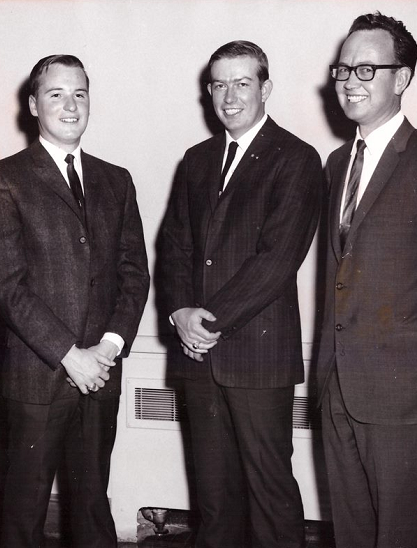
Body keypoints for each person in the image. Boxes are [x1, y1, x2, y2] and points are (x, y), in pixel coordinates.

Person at [316, 13, 417, 548]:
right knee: (352, 536)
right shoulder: (336, 164)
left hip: (407, 398)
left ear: (402, 78)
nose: (349, 82)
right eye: (343, 70)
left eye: (367, 70)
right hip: (338, 390)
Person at [0, 54, 150, 548]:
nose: (70, 105)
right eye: (56, 94)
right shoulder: (2, 178)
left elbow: (134, 274)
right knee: (23, 511)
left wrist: (109, 348)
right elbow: (7, 286)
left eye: (80, 93)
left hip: (101, 372)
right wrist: (71, 355)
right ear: (33, 105)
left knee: (93, 505)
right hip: (39, 376)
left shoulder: (116, 179)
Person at [160, 40, 323, 548]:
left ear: (265, 88)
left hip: (257, 357)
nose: (229, 96)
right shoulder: (196, 159)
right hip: (197, 358)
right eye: (219, 84)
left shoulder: (296, 158)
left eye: (242, 83)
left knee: (269, 491)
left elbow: (276, 260)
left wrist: (205, 322)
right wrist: (178, 312)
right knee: (213, 499)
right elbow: (173, 247)